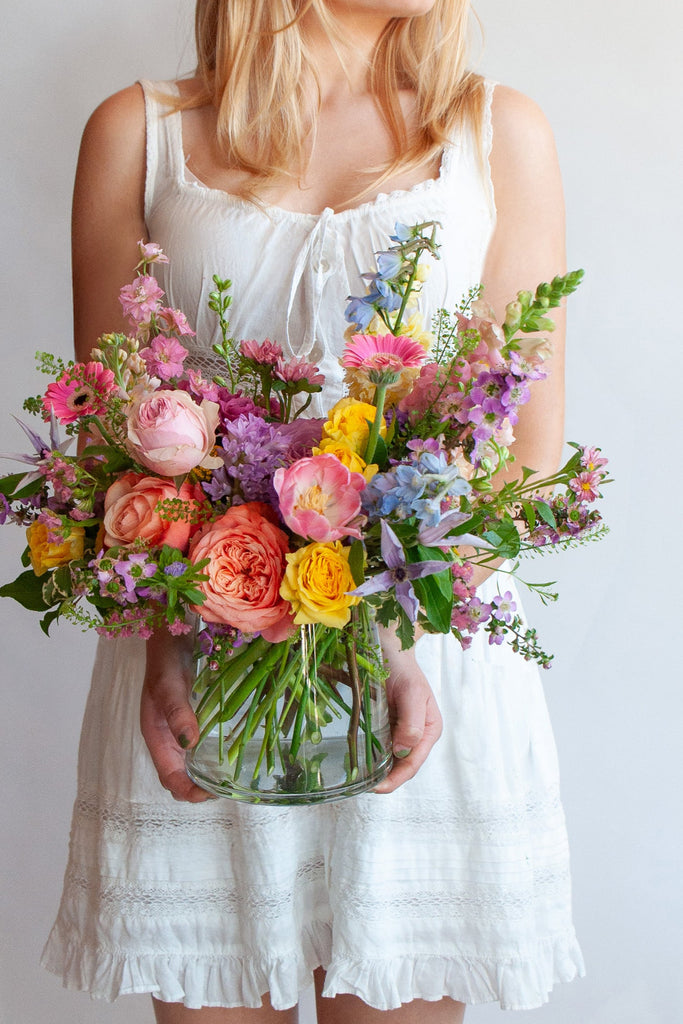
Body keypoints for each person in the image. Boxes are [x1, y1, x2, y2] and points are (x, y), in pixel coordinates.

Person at [42, 2, 584, 1021]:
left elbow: (525, 453)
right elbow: (109, 439)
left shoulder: (494, 133)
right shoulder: (139, 133)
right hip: (204, 667)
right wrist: (166, 638)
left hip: (426, 671)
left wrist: (380, 623)